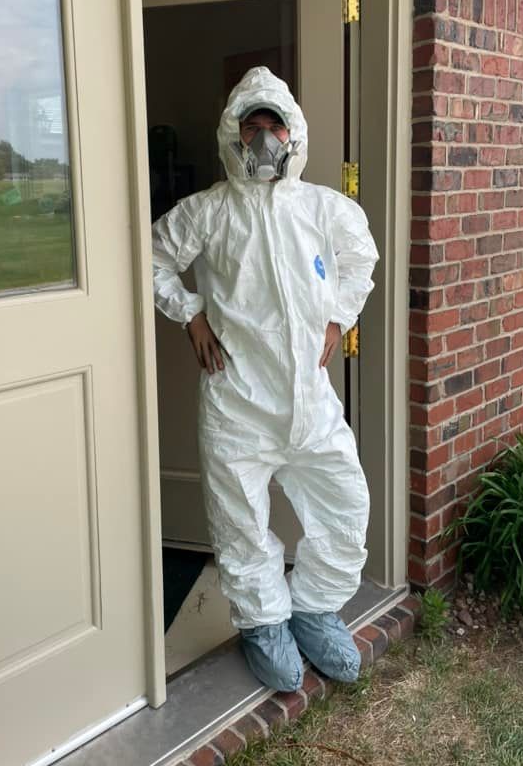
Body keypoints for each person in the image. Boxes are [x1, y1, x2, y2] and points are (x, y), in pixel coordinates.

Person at [152, 66, 379, 692]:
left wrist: (338, 318)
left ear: (292, 134)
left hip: (310, 402)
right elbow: (153, 259)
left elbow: (361, 258)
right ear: (233, 136)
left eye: (272, 125)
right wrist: (191, 315)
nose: (262, 139)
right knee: (240, 521)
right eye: (250, 127)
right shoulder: (208, 213)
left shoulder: (323, 208)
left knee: (344, 503)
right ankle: (264, 622)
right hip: (238, 403)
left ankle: (313, 608)